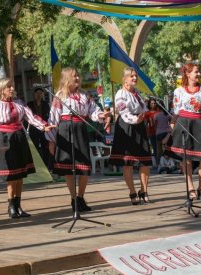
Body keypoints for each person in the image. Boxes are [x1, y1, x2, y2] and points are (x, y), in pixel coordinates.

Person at [0, 78, 55, 219]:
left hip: (19, 137)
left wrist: (43, 126)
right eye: (8, 87)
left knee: (19, 175)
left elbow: (30, 117)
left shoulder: (19, 103)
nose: (12, 89)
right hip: (5, 139)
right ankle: (11, 206)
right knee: (11, 175)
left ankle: (18, 206)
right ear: (1, 89)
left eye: (12, 86)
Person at [46, 67, 106, 212]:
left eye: (78, 76)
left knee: (84, 167)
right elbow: (53, 118)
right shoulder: (60, 96)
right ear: (67, 78)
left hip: (80, 130)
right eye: (74, 76)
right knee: (69, 168)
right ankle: (73, 199)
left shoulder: (85, 95)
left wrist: (100, 115)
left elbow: (93, 110)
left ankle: (80, 197)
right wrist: (51, 140)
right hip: (65, 131)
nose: (78, 78)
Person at [164, 63, 201, 200]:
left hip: (198, 125)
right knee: (186, 159)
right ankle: (190, 187)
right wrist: (169, 133)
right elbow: (175, 113)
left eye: (199, 72)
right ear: (188, 73)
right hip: (183, 125)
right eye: (196, 72)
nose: (199, 74)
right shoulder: (178, 91)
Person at [109, 67, 152, 205]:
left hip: (139, 127)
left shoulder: (137, 93)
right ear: (125, 79)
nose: (135, 78)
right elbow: (124, 112)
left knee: (145, 161)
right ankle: (132, 191)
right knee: (128, 162)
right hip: (127, 127)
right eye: (132, 76)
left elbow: (144, 109)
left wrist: (146, 114)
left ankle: (144, 190)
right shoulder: (120, 94)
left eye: (136, 76)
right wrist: (136, 120)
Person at [26, 87, 50, 167]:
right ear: (34, 95)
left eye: (40, 93)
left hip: (44, 128)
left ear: (43, 95)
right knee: (34, 147)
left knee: (45, 147)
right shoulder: (30, 104)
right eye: (37, 93)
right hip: (33, 128)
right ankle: (35, 165)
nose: (39, 95)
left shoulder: (45, 104)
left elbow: (48, 115)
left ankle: (46, 165)